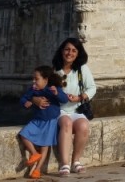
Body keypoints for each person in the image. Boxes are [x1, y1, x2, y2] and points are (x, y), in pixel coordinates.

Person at [45, 37, 97, 176]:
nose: (70, 53)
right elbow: (43, 89)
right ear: (62, 51)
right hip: (59, 110)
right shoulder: (54, 70)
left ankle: (76, 161)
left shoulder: (81, 69)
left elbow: (92, 88)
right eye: (67, 49)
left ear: (78, 53)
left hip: (76, 109)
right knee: (66, 123)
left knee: (83, 125)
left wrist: (80, 97)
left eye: (74, 50)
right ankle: (64, 164)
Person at [18, 65, 68, 180]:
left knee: (45, 147)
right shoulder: (33, 90)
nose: (33, 81)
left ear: (45, 80)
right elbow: (23, 98)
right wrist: (27, 102)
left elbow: (64, 99)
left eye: (36, 79)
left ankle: (37, 170)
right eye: (33, 78)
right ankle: (34, 153)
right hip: (37, 120)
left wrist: (56, 93)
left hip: (50, 121)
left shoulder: (52, 88)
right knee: (24, 134)